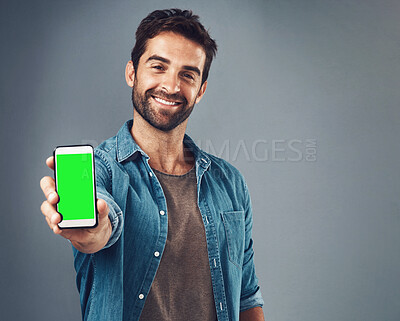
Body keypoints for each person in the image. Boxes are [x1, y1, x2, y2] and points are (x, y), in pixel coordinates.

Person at [40, 8, 265, 321]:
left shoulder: (229, 182)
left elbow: (247, 297)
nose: (171, 86)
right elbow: (101, 228)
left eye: (187, 74)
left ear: (200, 90)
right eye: (158, 66)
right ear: (132, 73)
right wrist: (89, 231)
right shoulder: (99, 171)